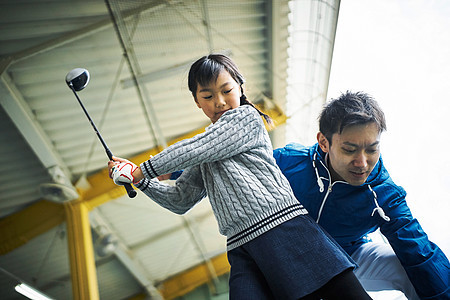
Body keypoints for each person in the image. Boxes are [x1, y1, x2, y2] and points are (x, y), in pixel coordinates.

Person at [107, 54, 372, 299]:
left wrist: (140, 169)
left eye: (226, 90)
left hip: (284, 228)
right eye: (207, 96)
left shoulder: (246, 118)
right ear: (197, 101)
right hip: (241, 246)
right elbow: (180, 199)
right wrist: (139, 181)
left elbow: (199, 146)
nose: (219, 102)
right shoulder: (208, 153)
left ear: (240, 87)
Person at [273, 91, 450, 300]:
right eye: (350, 149)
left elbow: (419, 250)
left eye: (372, 149)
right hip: (285, 257)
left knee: (408, 266)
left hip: (347, 256)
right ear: (324, 142)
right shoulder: (287, 162)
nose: (362, 163)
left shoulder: (384, 195)